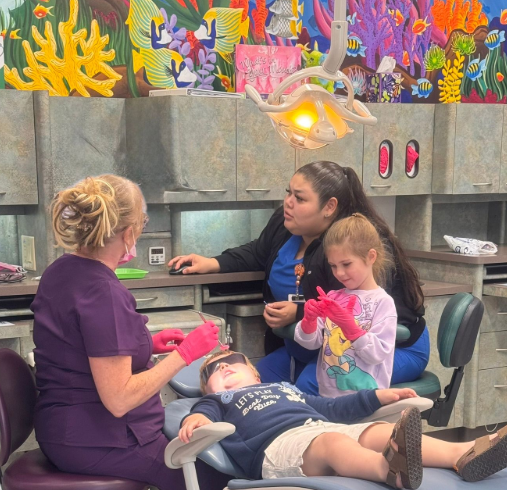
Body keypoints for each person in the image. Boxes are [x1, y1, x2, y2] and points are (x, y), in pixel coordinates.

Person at [31, 174, 236, 490]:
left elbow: (94, 352)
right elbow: (119, 398)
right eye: (140, 227)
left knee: (185, 455)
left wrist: (151, 346)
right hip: (98, 436)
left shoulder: (63, 271)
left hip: (68, 427)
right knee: (219, 485)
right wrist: (187, 352)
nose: (139, 236)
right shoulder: (101, 292)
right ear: (125, 233)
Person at [168, 161, 427, 392]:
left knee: (308, 387)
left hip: (389, 348)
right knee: (257, 381)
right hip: (319, 346)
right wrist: (212, 263)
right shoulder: (286, 224)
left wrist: (299, 312)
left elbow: (349, 312)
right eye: (288, 192)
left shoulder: (347, 249)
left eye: (300, 198)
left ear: (329, 207)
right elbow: (258, 252)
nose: (288, 203)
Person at [179, 350, 507, 490]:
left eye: (231, 361)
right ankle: (389, 472)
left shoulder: (286, 389)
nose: (222, 368)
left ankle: (463, 453)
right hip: (279, 448)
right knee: (335, 445)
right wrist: (196, 418)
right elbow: (203, 414)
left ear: (254, 372)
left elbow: (332, 408)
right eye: (212, 369)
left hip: (317, 427)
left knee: (376, 431)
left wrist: (379, 396)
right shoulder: (218, 400)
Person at [294, 213, 397, 396]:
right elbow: (310, 343)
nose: (339, 273)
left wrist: (351, 329)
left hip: (368, 398)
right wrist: (308, 322)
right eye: (333, 266)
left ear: (371, 256)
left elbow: (378, 354)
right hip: (328, 395)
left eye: (346, 264)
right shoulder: (333, 297)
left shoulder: (383, 302)